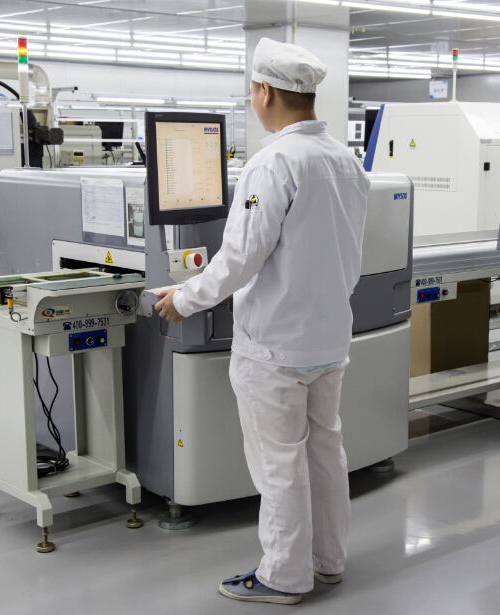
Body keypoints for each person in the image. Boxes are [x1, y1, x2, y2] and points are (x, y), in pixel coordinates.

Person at [154, 37, 369, 606]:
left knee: (279, 465)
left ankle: (283, 576)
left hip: (274, 349)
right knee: (325, 453)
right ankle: (328, 561)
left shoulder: (272, 163)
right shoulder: (346, 162)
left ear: (265, 91)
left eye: (253, 90)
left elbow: (240, 257)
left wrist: (185, 299)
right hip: (328, 340)